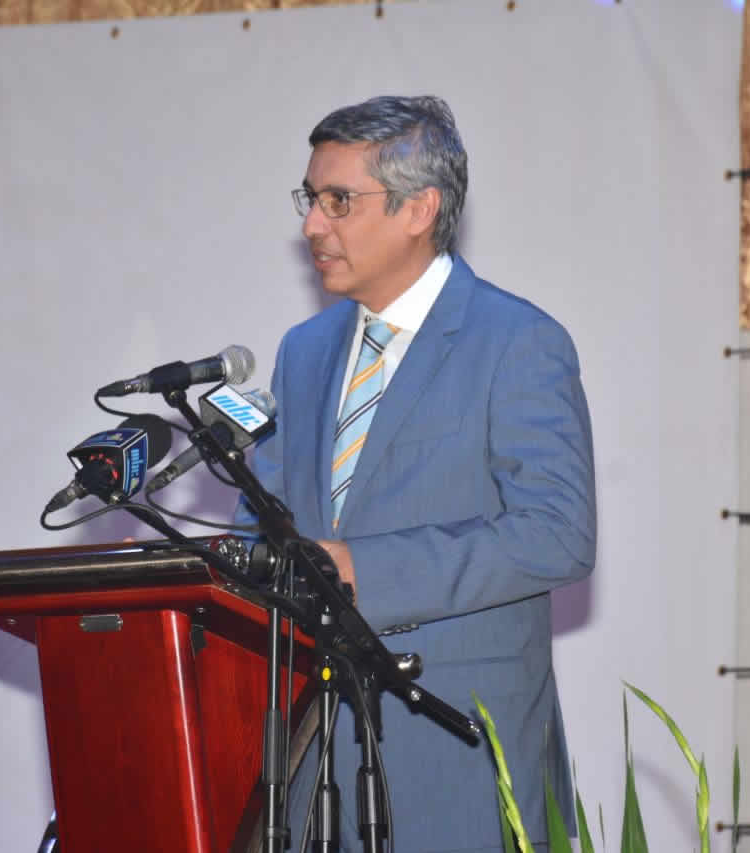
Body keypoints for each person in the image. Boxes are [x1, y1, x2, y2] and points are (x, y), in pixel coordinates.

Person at [238, 94, 596, 851]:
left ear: (419, 209)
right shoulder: (303, 352)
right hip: (308, 759)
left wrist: (363, 569)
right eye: (311, 198)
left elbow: (556, 534)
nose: (312, 225)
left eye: (339, 201)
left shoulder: (517, 341)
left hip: (455, 749)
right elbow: (265, 521)